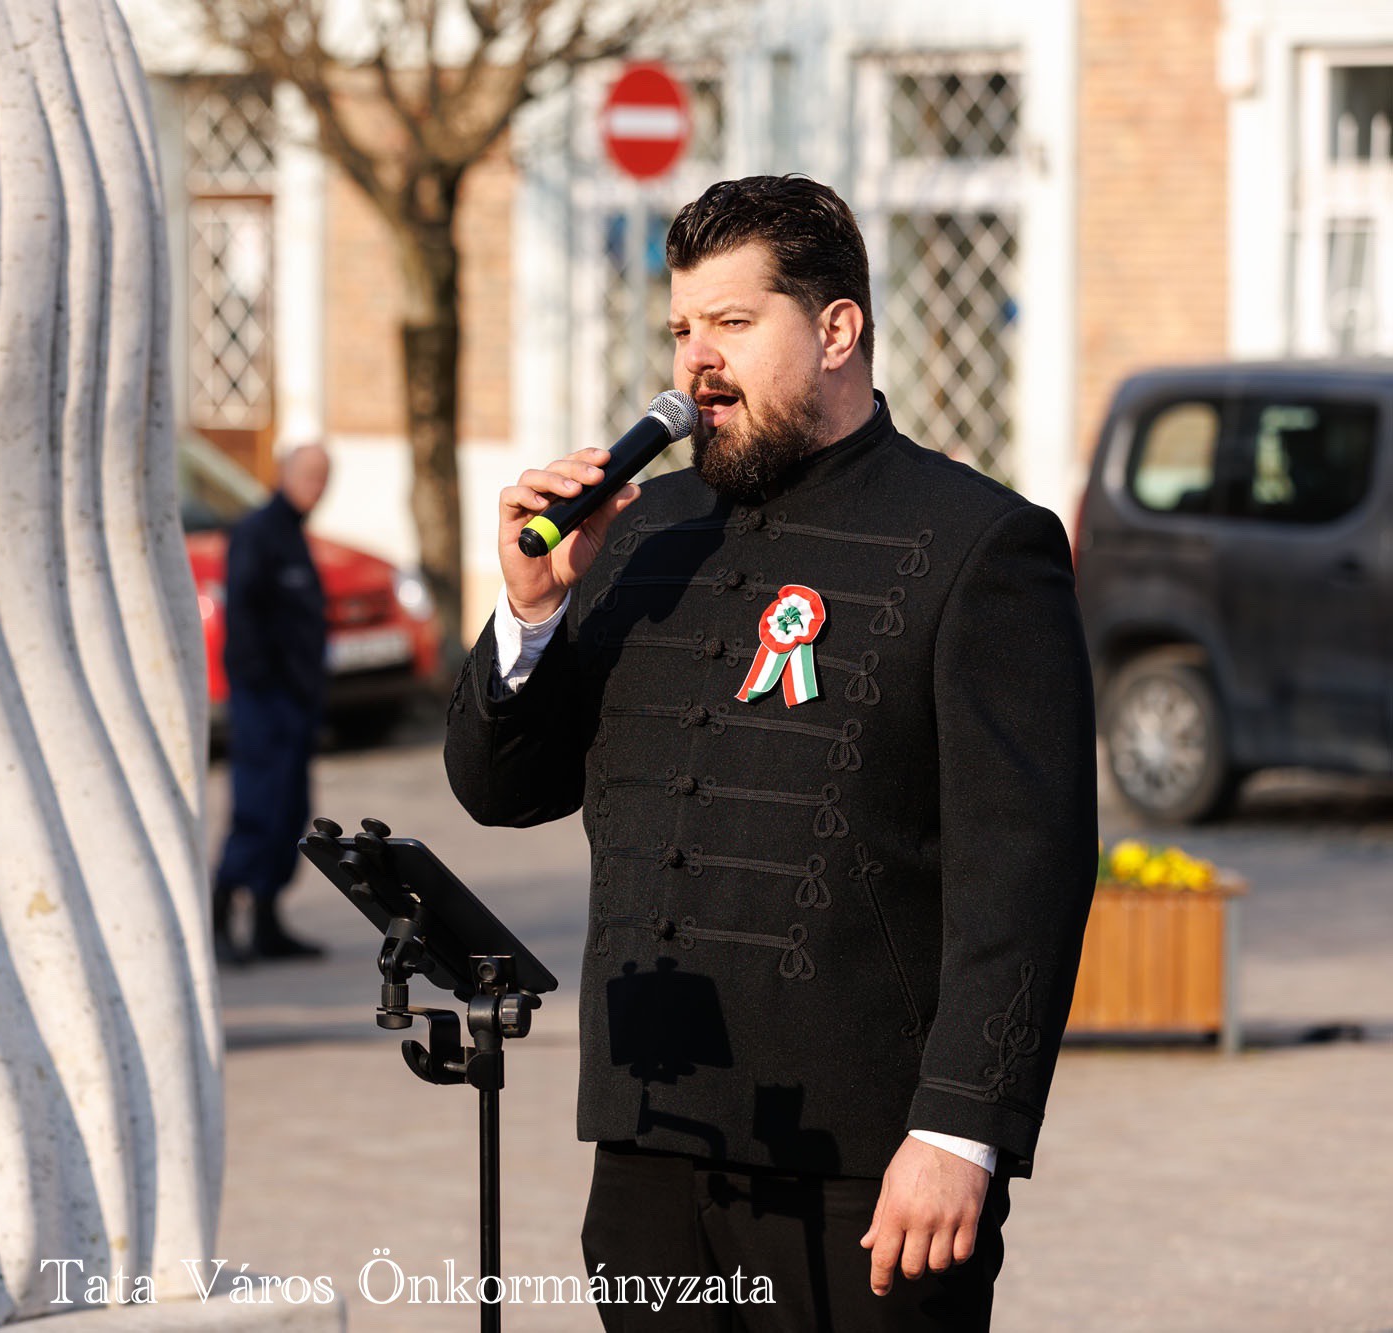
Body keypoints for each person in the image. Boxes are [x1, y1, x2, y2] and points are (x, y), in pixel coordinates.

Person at [443, 177, 1097, 1330]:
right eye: (681, 328)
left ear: (836, 329)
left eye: (733, 323)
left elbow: (1024, 875)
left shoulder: (982, 544)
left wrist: (961, 1130)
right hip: (650, 1143)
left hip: (868, 1167)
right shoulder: (635, 533)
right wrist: (532, 610)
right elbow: (503, 792)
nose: (696, 360)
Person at [214, 443, 332, 963]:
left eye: (323, 478)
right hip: (264, 701)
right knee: (258, 810)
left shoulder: (294, 534)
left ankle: (266, 922)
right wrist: (260, 686)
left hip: (297, 700)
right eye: (308, 475)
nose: (317, 487)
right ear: (283, 473)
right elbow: (242, 617)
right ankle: (220, 917)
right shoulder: (258, 532)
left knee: (290, 813)